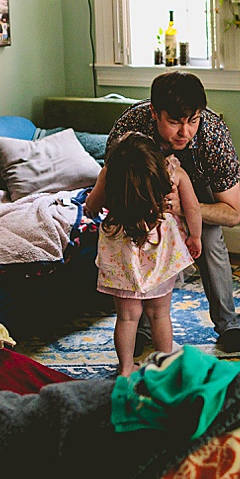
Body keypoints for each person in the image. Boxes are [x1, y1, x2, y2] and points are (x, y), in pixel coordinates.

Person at [106, 71, 240, 354]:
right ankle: (142, 330)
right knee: (140, 245)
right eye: (174, 122)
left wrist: (186, 208)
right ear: (154, 113)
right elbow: (111, 186)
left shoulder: (213, 135)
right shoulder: (129, 128)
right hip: (142, 200)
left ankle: (228, 325)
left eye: (193, 121)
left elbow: (233, 214)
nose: (185, 132)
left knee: (209, 240)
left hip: (197, 194)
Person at [84, 132, 203, 374]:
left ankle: (126, 368)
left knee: (127, 317)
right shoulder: (173, 173)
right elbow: (193, 209)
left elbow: (92, 206)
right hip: (160, 252)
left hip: (121, 253)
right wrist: (195, 236)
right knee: (160, 314)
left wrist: (90, 205)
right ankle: (165, 366)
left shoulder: (110, 174)